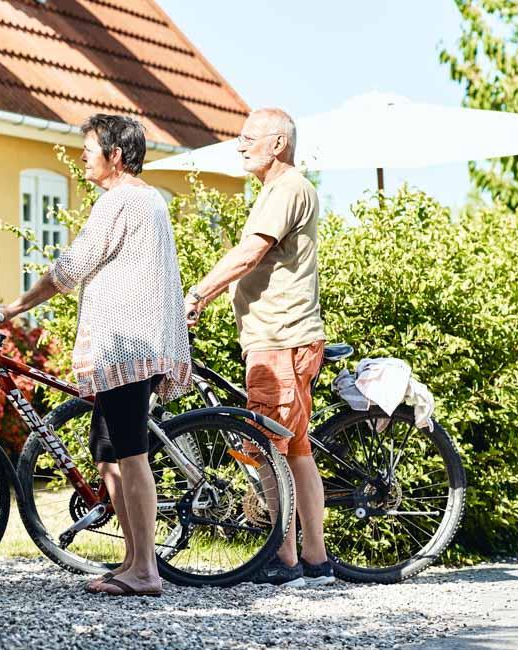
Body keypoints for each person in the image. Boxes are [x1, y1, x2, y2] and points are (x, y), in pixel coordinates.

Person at [0, 114, 190, 597]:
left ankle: (146, 572)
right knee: (110, 454)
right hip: (133, 345)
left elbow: (70, 269)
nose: (82, 157)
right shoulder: (147, 200)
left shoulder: (119, 201)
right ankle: (133, 560)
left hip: (125, 347)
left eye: (89, 149)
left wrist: (12, 309)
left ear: (115, 155)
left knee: (131, 456)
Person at [182, 107, 334, 587]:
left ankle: (284, 558)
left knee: (266, 447)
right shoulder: (280, 190)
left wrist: (197, 293)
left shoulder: (287, 189)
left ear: (278, 144)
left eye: (250, 138)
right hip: (285, 338)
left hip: (279, 341)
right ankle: (314, 558)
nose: (240, 145)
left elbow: (250, 253)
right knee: (295, 450)